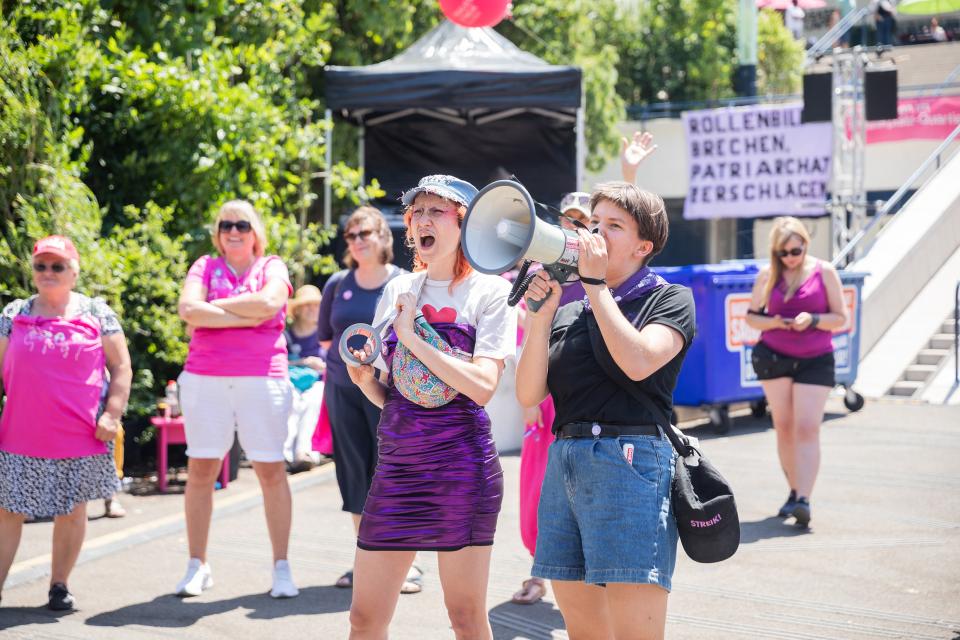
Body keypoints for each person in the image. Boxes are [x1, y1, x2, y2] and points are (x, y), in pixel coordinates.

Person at [516, 182, 695, 640]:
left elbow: (638, 362)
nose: (596, 234)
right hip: (566, 461)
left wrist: (595, 286)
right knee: (583, 628)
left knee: (635, 631)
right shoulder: (570, 310)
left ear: (644, 246)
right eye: (593, 224)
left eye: (613, 226)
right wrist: (540, 318)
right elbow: (528, 393)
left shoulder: (668, 299)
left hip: (631, 461)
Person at [345, 175, 516, 639]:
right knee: (363, 618)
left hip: (461, 469)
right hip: (399, 469)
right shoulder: (399, 291)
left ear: (464, 225)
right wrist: (365, 381)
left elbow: (481, 386)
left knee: (464, 616)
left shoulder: (491, 292)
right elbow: (396, 395)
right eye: (416, 211)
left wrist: (412, 337)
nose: (422, 219)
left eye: (436, 211)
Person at [0, 235, 132, 610]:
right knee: (8, 511)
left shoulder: (96, 312)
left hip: (81, 434)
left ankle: (59, 585)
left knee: (72, 510)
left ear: (73, 272)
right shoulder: (14, 314)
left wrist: (113, 412)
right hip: (20, 434)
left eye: (57, 266)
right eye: (41, 265)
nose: (48, 272)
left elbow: (121, 366)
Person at [176, 200, 298, 598]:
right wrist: (247, 315)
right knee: (200, 472)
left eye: (242, 224)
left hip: (262, 378)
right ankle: (198, 565)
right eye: (226, 224)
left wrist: (214, 308)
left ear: (255, 232)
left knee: (270, 472)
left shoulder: (272, 266)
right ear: (218, 233)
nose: (233, 230)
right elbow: (187, 310)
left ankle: (281, 567)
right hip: (204, 379)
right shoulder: (204, 267)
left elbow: (269, 303)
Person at [316, 205, 414, 592]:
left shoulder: (406, 282)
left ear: (383, 238)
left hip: (393, 392)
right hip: (343, 389)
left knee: (392, 473)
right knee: (355, 474)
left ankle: (406, 565)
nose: (357, 242)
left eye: (365, 234)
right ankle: (365, 559)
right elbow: (327, 338)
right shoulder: (337, 284)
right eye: (351, 236)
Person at [745, 217, 848, 529]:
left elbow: (839, 317)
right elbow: (752, 318)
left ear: (805, 244)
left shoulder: (824, 271)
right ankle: (793, 491)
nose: (790, 257)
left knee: (807, 428)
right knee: (785, 426)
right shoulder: (767, 275)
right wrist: (776, 321)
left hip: (815, 358)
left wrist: (813, 320)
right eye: (783, 253)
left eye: (795, 250)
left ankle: (804, 499)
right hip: (773, 356)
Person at [284, 284, 327, 473]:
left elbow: (335, 365)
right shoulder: (286, 335)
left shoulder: (326, 334)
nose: (312, 309)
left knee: (313, 401)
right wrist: (304, 362)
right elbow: (277, 362)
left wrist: (320, 366)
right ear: (298, 310)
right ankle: (284, 455)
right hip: (290, 382)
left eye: (316, 305)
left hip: (317, 383)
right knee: (290, 401)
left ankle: (304, 452)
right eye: (306, 305)